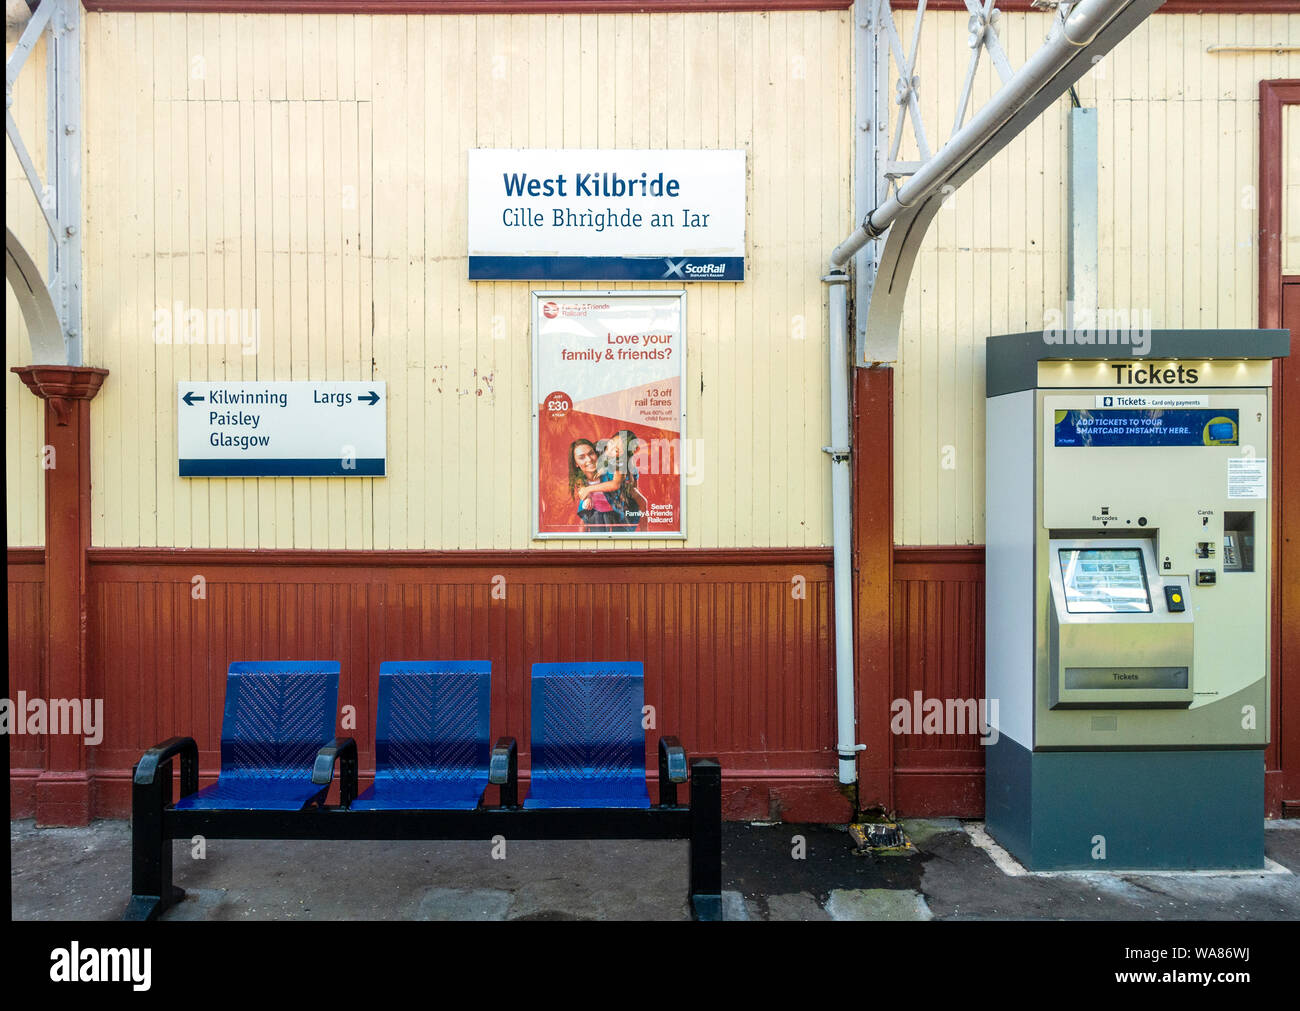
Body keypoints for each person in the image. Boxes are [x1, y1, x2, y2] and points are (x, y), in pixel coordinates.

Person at [567, 438, 626, 531]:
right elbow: (582, 494)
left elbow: (615, 484)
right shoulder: (580, 479)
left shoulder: (609, 470)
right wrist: (587, 497)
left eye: (591, 453)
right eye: (582, 457)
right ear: (576, 463)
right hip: (596, 515)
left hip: (615, 513)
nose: (589, 459)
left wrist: (589, 489)